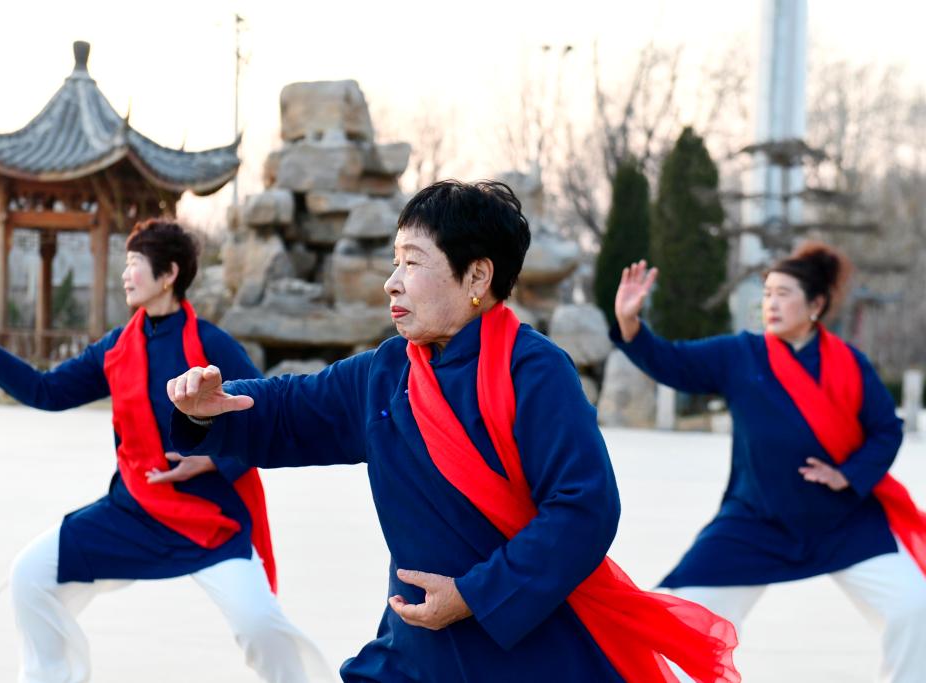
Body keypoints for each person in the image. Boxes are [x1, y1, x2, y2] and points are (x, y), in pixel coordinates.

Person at [165, 180, 739, 683]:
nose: (392, 283)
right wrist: (208, 409)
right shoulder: (387, 372)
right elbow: (292, 407)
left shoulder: (535, 371)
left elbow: (584, 508)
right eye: (395, 262)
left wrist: (473, 596)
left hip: (524, 650)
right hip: (414, 652)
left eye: (412, 263)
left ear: (477, 276)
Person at [0, 219, 330, 683]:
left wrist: (212, 457)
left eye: (135, 262)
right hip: (135, 510)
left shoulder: (211, 344)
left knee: (261, 625)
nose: (125, 273)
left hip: (210, 519)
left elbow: (264, 413)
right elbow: (47, 391)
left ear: (169, 273)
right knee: (30, 576)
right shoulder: (116, 347)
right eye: (126, 262)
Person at [609, 245, 926, 682]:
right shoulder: (741, 354)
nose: (771, 304)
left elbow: (886, 429)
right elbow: (673, 362)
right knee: (678, 609)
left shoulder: (849, 363)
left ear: (815, 304)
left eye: (783, 294)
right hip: (756, 519)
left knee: (913, 607)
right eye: (767, 293)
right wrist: (631, 324)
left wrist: (848, 475)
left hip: (842, 520)